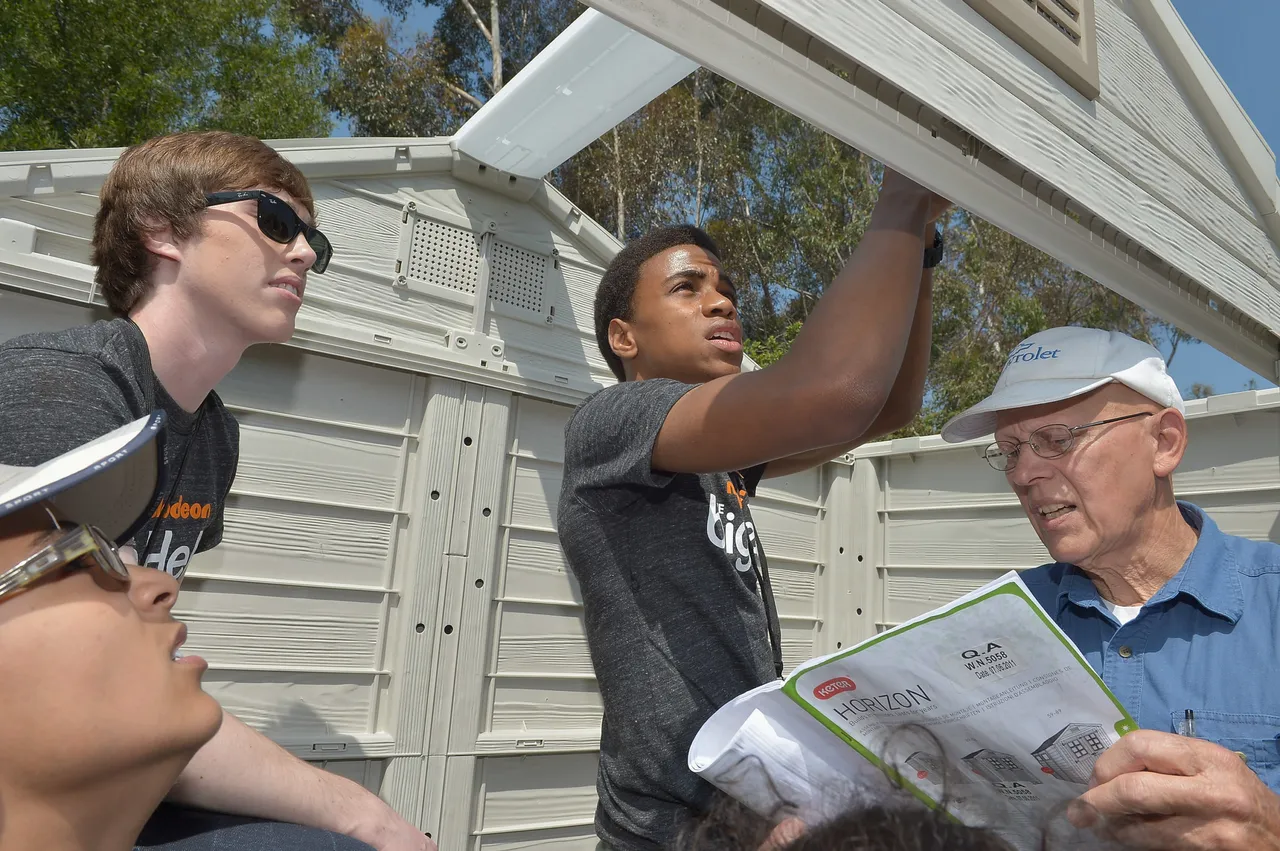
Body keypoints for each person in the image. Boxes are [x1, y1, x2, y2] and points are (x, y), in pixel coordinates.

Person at [0, 132, 429, 851]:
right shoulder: (68, 387)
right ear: (163, 229)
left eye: (311, 243)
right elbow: (79, 695)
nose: (302, 254)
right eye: (276, 222)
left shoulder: (212, 438)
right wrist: (360, 809)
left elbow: (135, 692)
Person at [557, 168, 951, 849]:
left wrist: (920, 245)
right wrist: (903, 196)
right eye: (688, 288)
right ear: (625, 338)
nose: (721, 304)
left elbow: (889, 406)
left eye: (727, 292)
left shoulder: (721, 457)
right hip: (661, 832)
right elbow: (837, 391)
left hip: (743, 817)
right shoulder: (613, 420)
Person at [941, 326, 1280, 850]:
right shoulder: (994, 623)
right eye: (1009, 451)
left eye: (1056, 439)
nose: (1024, 472)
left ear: (1164, 443)